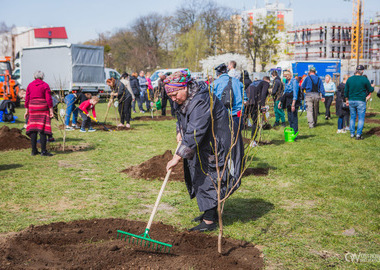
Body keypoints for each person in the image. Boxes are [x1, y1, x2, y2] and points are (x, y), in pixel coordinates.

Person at [164, 69, 244, 232]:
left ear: (184, 87)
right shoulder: (181, 98)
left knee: (211, 174)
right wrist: (179, 130)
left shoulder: (201, 100)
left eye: (175, 94)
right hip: (205, 138)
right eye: (170, 96)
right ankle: (209, 212)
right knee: (199, 171)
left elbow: (196, 131)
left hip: (219, 139)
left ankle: (209, 221)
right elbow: (180, 117)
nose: (173, 99)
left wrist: (177, 157)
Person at [24, 70, 54, 156]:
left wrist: (26, 111)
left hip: (32, 108)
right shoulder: (45, 85)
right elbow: (48, 99)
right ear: (42, 77)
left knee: (33, 129)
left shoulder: (30, 85)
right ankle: (43, 151)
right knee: (43, 129)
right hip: (42, 108)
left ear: (34, 77)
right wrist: (51, 111)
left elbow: (27, 99)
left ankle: (34, 151)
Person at [344, 65, 375, 140]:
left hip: (351, 100)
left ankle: (352, 133)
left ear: (355, 70)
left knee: (352, 117)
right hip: (361, 100)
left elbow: (346, 91)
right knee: (361, 118)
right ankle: (358, 134)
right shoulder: (364, 79)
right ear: (362, 71)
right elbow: (370, 90)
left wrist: (346, 99)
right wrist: (372, 86)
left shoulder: (349, 79)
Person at [212, 63, 245, 128]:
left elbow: (211, 100)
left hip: (221, 115)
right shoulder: (238, 82)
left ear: (217, 74)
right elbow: (245, 99)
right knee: (237, 136)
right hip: (237, 114)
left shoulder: (214, 84)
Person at [278, 70, 299, 135]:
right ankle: (291, 131)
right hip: (287, 101)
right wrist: (280, 102)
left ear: (289, 75)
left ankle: (295, 133)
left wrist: (293, 104)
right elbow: (284, 92)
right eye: (284, 76)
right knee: (289, 118)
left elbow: (295, 93)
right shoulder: (287, 82)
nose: (285, 77)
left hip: (293, 101)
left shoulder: (294, 81)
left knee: (293, 118)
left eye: (286, 76)